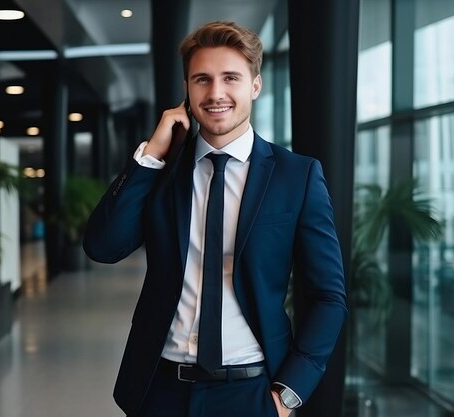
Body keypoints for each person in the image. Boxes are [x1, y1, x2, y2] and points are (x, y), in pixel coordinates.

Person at [83, 20, 347, 417]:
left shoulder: (297, 176)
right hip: (161, 392)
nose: (216, 93)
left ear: (255, 85)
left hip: (252, 392)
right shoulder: (163, 171)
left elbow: (329, 296)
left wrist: (289, 394)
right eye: (201, 80)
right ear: (187, 91)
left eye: (231, 78)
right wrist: (151, 154)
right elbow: (103, 246)